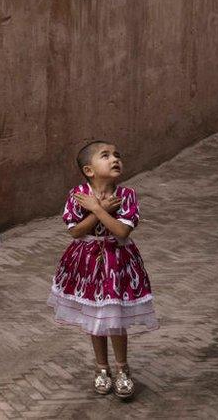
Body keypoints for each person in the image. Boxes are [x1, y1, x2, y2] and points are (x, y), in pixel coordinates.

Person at [47, 141, 158, 400]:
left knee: (115, 317)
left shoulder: (127, 195)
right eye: (105, 156)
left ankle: (122, 368)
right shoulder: (77, 195)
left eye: (117, 155)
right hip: (85, 263)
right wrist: (98, 212)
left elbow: (121, 232)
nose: (114, 159)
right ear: (89, 170)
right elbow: (75, 231)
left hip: (118, 263)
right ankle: (101, 367)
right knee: (95, 317)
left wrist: (96, 209)